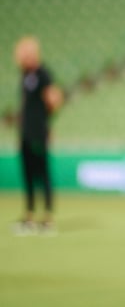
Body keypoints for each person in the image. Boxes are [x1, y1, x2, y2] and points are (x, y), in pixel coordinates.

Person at [14, 36, 63, 234]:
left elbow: (54, 99)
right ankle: (29, 215)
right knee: (28, 174)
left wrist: (45, 123)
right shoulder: (25, 76)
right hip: (25, 132)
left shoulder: (43, 74)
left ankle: (47, 217)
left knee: (43, 174)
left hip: (38, 132)